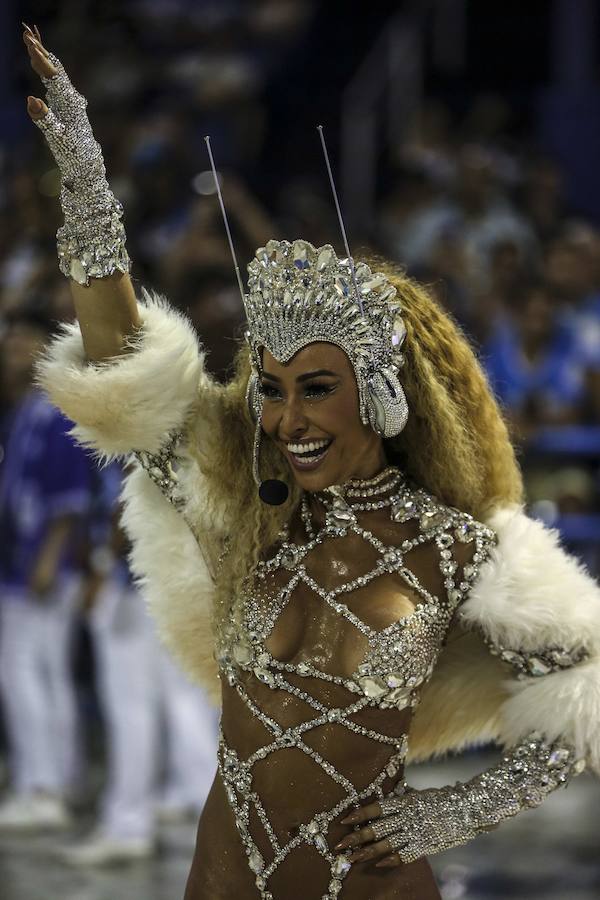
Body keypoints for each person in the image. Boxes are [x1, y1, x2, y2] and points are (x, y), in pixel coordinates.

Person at [23, 26, 600, 900]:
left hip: (369, 883)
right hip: (223, 873)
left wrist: (459, 810)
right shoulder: (243, 517)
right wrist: (88, 189)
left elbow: (585, 683)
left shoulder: (455, 549)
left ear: (378, 394)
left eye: (317, 387)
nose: (288, 418)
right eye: (272, 387)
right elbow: (120, 374)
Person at [61, 460, 218, 865]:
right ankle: (214, 823)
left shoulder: (135, 415)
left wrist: (99, 565)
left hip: (134, 586)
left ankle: (129, 823)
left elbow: (126, 501)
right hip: (176, 582)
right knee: (186, 705)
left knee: (131, 710)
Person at [0, 305, 93, 829]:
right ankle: (62, 778)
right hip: (25, 561)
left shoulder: (59, 408)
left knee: (25, 673)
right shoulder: (26, 410)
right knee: (45, 674)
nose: (11, 354)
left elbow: (69, 497)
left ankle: (42, 788)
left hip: (42, 565)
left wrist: (49, 558)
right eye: (8, 344)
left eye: (21, 344)